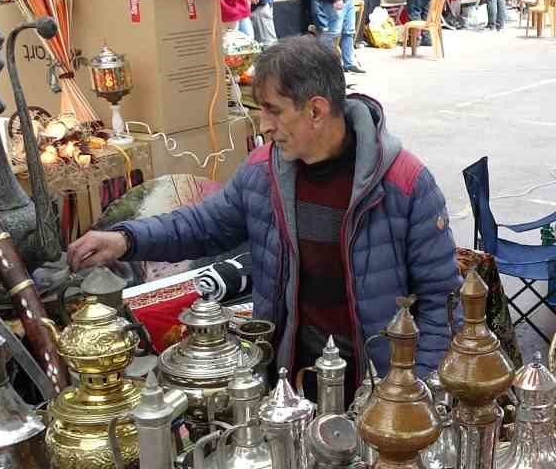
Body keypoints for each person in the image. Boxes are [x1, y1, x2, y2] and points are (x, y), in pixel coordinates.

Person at [66, 38, 461, 387]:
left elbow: (441, 300)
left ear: (316, 110)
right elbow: (204, 225)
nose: (263, 125)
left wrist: (416, 388)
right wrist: (125, 239)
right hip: (292, 372)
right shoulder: (263, 171)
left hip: (379, 377)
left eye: (273, 110)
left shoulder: (404, 183)